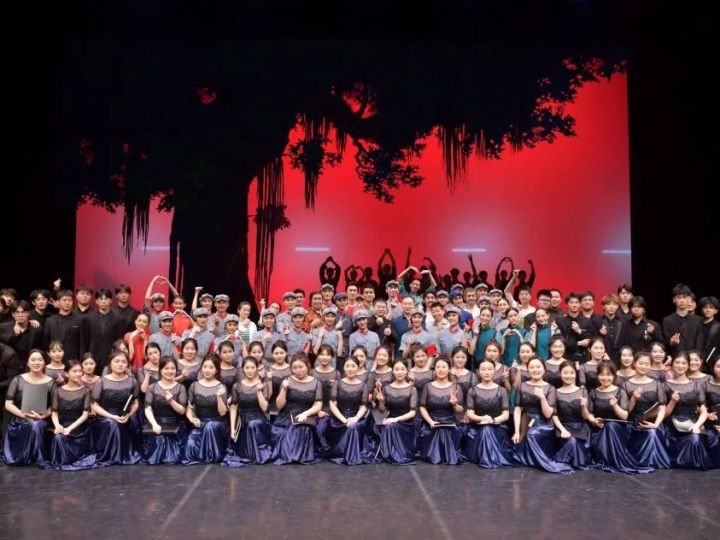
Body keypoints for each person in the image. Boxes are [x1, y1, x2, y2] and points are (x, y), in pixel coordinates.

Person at [585, 361, 652, 474]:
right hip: (600, 428)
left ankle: (615, 461)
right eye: (602, 374)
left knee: (611, 426)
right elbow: (590, 413)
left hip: (619, 428)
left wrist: (615, 406)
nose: (605, 378)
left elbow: (625, 416)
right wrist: (594, 420)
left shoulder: (620, 391)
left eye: (608, 374)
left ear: (614, 376)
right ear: (598, 376)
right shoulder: (593, 393)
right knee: (606, 427)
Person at [511, 358, 573, 474]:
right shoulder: (522, 386)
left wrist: (542, 398)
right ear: (528, 370)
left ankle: (539, 461)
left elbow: (548, 414)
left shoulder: (550, 388)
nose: (535, 370)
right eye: (532, 367)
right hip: (526, 421)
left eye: (538, 367)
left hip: (544, 424)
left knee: (532, 435)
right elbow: (518, 409)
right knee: (523, 437)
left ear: (544, 369)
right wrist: (516, 431)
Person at [271, 352, 323, 465]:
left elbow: (318, 405)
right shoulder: (287, 380)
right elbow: (279, 405)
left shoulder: (316, 382)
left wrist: (305, 414)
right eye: (295, 368)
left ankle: (295, 455)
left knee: (303, 427)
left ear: (308, 366)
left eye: (301, 367)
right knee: (289, 428)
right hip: (287, 414)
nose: (298, 370)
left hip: (307, 414)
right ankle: (292, 455)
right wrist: (284, 389)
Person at [91, 350, 141, 466]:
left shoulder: (132, 381)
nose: (120, 364)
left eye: (123, 362)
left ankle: (125, 453)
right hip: (105, 417)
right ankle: (113, 456)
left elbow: (135, 403)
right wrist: (112, 416)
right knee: (112, 424)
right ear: (110, 363)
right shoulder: (101, 381)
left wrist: (128, 415)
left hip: (125, 416)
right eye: (117, 361)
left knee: (133, 422)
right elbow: (94, 405)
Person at [3, 349, 52, 465]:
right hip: (20, 419)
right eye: (33, 360)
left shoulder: (51, 382)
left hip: (41, 418)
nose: (36, 362)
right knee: (32, 424)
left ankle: (38, 457)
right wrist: (24, 415)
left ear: (44, 362)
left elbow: (55, 406)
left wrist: (43, 416)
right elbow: (8, 404)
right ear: (27, 363)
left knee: (36, 425)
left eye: (40, 360)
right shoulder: (18, 380)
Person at [663, 353, 712, 469]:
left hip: (693, 422)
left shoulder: (696, 386)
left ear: (688, 365)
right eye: (677, 362)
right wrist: (672, 402)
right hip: (672, 424)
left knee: (695, 438)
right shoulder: (665, 385)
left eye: (684, 363)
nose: (680, 366)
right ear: (672, 364)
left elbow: (703, 411)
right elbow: (664, 414)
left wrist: (697, 425)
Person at [46, 359, 97, 470]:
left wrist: (69, 429)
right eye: (74, 371)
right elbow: (54, 412)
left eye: (80, 371)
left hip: (79, 428)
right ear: (66, 373)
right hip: (62, 425)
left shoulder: (86, 390)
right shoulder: (58, 391)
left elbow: (85, 415)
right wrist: (57, 426)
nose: (78, 374)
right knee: (58, 438)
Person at [624, 351, 671, 469]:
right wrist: (633, 399)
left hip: (653, 421)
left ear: (650, 365)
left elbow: (662, 407)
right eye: (641, 363)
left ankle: (650, 462)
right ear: (634, 363)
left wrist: (656, 424)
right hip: (633, 423)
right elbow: (627, 410)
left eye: (647, 364)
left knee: (652, 432)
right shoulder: (626, 385)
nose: (643, 366)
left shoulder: (657, 384)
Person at [463, 359, 514, 468]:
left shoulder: (502, 390)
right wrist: (483, 419)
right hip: (477, 427)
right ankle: (489, 459)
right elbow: (470, 414)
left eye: (490, 369)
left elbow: (505, 415)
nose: (486, 372)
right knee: (485, 429)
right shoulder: (472, 390)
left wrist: (492, 420)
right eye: (483, 369)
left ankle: (487, 459)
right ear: (478, 371)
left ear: (494, 371)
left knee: (487, 429)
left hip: (497, 427)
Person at [223, 356, 272, 467]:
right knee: (248, 425)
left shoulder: (263, 385)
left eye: (252, 367)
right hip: (243, 420)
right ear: (243, 369)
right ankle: (247, 453)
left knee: (253, 424)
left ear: (257, 368)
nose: (250, 370)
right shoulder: (237, 386)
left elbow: (265, 408)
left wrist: (259, 392)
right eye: (247, 368)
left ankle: (256, 454)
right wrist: (232, 428)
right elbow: (234, 407)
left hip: (259, 420)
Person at [182, 354, 229, 464]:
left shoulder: (221, 386)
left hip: (217, 423)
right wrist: (192, 419)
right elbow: (189, 408)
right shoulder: (194, 386)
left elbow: (223, 413)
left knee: (210, 426)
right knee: (191, 443)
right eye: (205, 367)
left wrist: (219, 397)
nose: (207, 370)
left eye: (211, 367)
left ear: (216, 370)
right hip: (200, 424)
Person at [417, 356, 464, 464]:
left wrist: (454, 404)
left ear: (449, 369)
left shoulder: (456, 387)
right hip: (431, 422)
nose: (441, 370)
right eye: (438, 367)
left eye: (444, 367)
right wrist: (430, 421)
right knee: (437, 431)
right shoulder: (428, 386)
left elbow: (460, 410)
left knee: (445, 431)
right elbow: (422, 407)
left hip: (449, 421)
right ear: (434, 369)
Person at [324, 356, 370, 465]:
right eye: (347, 366)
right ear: (343, 368)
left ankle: (352, 455)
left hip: (357, 417)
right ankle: (342, 453)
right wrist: (344, 420)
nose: (350, 369)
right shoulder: (338, 383)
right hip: (339, 418)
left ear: (358, 368)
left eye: (353, 366)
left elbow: (363, 406)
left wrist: (356, 418)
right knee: (347, 426)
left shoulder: (363, 386)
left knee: (353, 427)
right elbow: (332, 404)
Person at [142, 356, 188, 465]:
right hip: (157, 424)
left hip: (175, 426)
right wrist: (154, 424)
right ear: (160, 370)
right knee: (159, 439)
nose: (169, 371)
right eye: (166, 368)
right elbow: (148, 408)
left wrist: (171, 401)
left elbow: (182, 411)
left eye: (172, 368)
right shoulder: (152, 387)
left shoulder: (181, 387)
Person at [373, 359, 418, 464]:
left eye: (402, 369)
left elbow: (412, 413)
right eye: (397, 369)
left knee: (390, 426)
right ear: (392, 371)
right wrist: (381, 402)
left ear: (407, 371)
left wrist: (395, 419)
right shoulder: (386, 388)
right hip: (390, 420)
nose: (399, 372)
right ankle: (390, 454)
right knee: (389, 426)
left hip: (407, 423)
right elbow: (382, 410)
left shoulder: (412, 389)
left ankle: (394, 454)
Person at [552, 361, 592, 469]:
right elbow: (554, 415)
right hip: (563, 428)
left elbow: (586, 416)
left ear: (576, 373)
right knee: (571, 441)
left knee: (576, 442)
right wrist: (562, 430)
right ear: (560, 373)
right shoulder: (556, 392)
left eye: (571, 373)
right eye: (565, 373)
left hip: (581, 428)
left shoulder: (583, 391)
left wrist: (583, 406)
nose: (568, 376)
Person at [85, 289, 125, 373]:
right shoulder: (89, 318)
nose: (103, 301)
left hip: (110, 357)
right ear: (96, 301)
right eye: (101, 299)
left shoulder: (118, 319)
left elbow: (119, 340)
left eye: (106, 299)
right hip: (92, 357)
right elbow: (85, 340)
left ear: (111, 301)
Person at [311, 344, 339, 450]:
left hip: (330, 410)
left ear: (332, 357)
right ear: (318, 356)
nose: (324, 357)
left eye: (327, 355)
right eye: (322, 354)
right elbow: (309, 394)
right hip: (313, 409)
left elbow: (338, 397)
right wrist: (317, 411)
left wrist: (328, 412)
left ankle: (326, 450)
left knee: (322, 428)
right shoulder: (312, 372)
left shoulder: (336, 374)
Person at [662, 283, 701, 358]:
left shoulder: (698, 320)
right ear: (674, 300)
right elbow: (664, 343)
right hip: (676, 358)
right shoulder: (667, 320)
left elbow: (700, 343)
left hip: (693, 359)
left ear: (689, 299)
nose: (682, 300)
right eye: (679, 298)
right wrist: (672, 342)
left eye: (684, 297)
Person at [267, 341, 291, 415]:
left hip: (289, 407)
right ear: (272, 354)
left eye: (281, 353)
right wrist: (269, 380)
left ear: (286, 353)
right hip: (272, 406)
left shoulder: (291, 369)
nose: (279, 356)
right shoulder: (268, 369)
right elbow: (267, 395)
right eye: (276, 353)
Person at [704, 358, 720, 468]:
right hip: (712, 422)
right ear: (713, 368)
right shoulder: (705, 385)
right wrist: (707, 415)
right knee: (712, 438)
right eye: (718, 366)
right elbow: (700, 406)